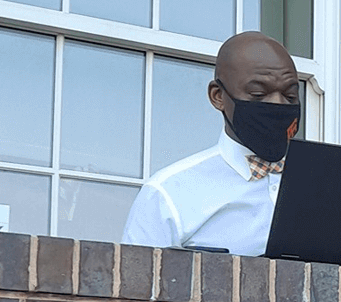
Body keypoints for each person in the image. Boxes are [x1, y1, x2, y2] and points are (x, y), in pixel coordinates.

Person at [122, 32, 300, 255]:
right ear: (218, 96)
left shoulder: (326, 185)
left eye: (291, 96)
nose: (278, 104)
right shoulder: (167, 194)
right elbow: (135, 284)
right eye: (258, 93)